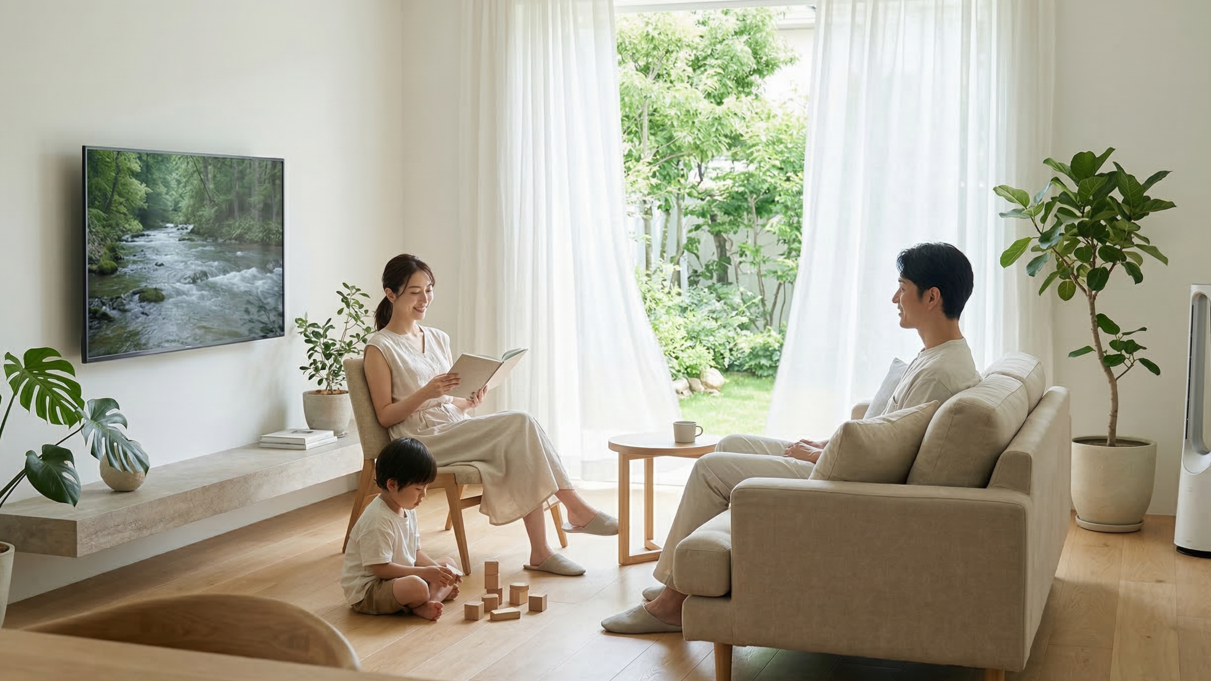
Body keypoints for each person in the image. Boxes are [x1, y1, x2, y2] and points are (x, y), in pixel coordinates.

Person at [602, 242, 982, 634]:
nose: (894, 297)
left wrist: (823, 457)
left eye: (902, 287)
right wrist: (826, 445)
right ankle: (680, 578)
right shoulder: (938, 356)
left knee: (709, 469)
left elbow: (891, 464)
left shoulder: (939, 374)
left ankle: (670, 605)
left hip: (844, 485)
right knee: (730, 443)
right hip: (842, 464)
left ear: (932, 297)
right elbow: (886, 431)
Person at [363, 254, 618, 577]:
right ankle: (576, 511)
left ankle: (541, 551)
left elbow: (444, 404)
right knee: (520, 423)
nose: (424, 299)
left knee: (520, 439)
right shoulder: (380, 347)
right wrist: (428, 391)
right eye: (415, 291)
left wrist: (466, 403)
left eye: (429, 289)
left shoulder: (438, 338)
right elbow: (386, 417)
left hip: (453, 427)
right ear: (390, 293)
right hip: (418, 441)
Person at [341, 438, 462, 621]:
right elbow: (381, 569)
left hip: (398, 576)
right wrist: (426, 573)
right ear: (392, 485)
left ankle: (430, 602)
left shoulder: (406, 507)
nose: (424, 495)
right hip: (370, 589)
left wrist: (438, 570)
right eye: (418, 489)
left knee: (448, 564)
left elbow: (415, 552)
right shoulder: (377, 519)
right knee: (418, 586)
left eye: (426, 487)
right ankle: (424, 600)